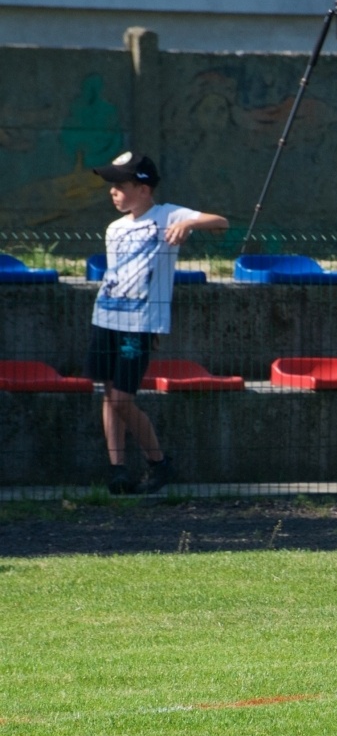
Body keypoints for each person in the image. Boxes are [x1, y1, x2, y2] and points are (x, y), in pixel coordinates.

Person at [88, 151, 229, 494]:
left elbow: (221, 222)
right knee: (109, 395)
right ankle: (118, 469)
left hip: (139, 324)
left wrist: (188, 224)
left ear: (144, 189)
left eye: (120, 185)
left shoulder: (167, 215)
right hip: (105, 318)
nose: (113, 191)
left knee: (122, 399)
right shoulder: (114, 229)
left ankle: (158, 462)